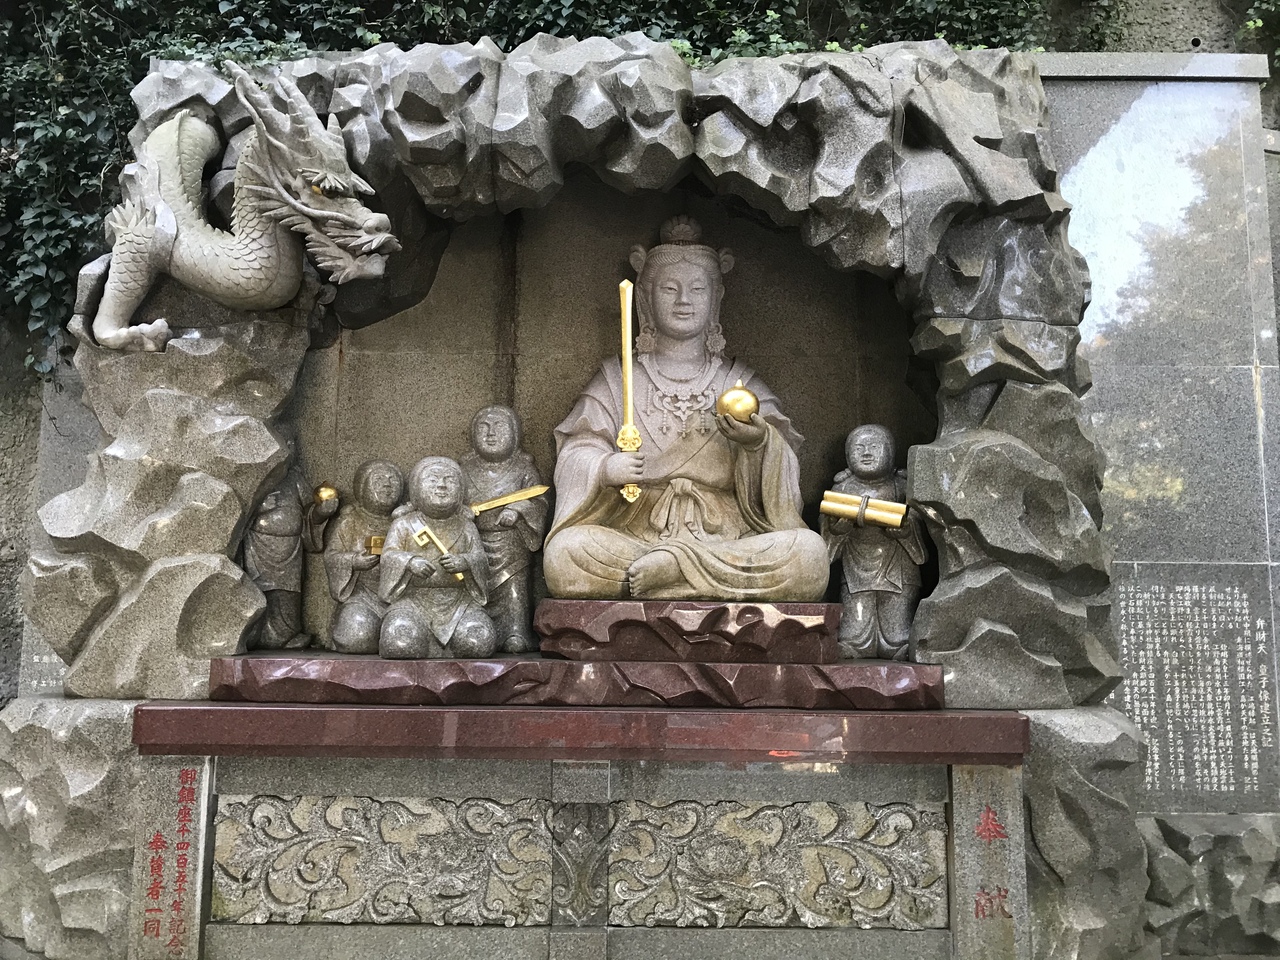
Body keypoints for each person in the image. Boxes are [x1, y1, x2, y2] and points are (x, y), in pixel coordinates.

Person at [543, 216, 828, 601]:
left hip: (726, 537)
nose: (683, 300)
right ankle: (691, 575)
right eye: (669, 288)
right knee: (565, 556)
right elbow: (577, 450)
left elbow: (783, 469)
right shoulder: (617, 379)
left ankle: (675, 569)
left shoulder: (738, 383)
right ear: (646, 299)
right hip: (636, 535)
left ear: (716, 298)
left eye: (697, 288)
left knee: (809, 556)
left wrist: (758, 443)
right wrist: (605, 467)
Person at [821, 425, 927, 660]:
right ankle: (855, 645)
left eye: (874, 447)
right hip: (855, 562)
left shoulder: (902, 484)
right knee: (855, 624)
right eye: (859, 448)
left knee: (897, 626)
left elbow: (917, 520)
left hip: (897, 561)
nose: (866, 453)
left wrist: (905, 529)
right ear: (848, 455)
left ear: (890, 452)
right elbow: (828, 529)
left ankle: (898, 645)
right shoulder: (842, 487)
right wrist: (839, 529)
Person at [379, 457, 496, 658]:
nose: (441, 485)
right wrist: (409, 562)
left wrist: (465, 562)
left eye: (449, 480)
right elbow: (388, 556)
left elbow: (481, 559)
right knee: (399, 642)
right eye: (433, 480)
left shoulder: (466, 526)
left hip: (459, 603)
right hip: (412, 601)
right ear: (416, 488)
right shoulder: (404, 524)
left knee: (480, 641)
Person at [460, 406, 547, 653]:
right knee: (471, 586)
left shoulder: (524, 469)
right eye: (484, 428)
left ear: (515, 434)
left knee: (514, 587)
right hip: (473, 541)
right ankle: (475, 631)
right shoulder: (464, 470)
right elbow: (450, 502)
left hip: (511, 543)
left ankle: (515, 631)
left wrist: (518, 510)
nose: (491, 434)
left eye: (499, 428)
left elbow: (538, 501)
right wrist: (461, 513)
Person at [322, 460, 404, 653]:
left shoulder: (405, 522)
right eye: (379, 480)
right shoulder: (350, 521)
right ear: (362, 487)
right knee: (356, 637)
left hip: (400, 596)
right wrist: (353, 561)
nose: (387, 485)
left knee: (403, 638)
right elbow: (331, 556)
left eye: (392, 480)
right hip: (362, 596)